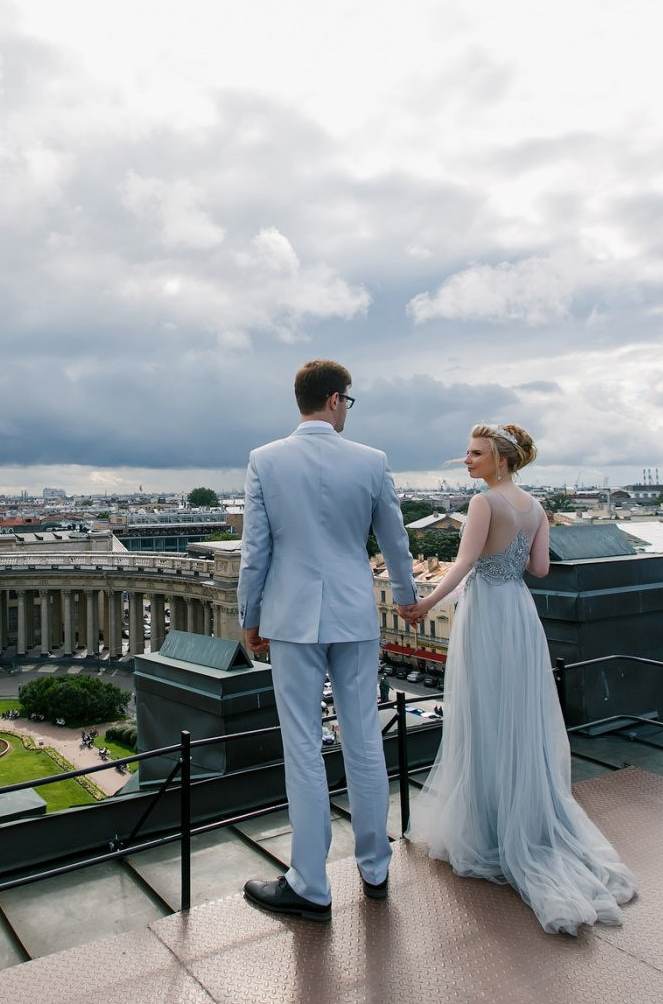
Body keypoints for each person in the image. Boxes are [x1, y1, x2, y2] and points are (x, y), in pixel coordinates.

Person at [399, 422, 637, 935]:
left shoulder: (483, 503)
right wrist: (509, 559)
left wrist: (424, 603)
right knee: (518, 715)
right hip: (520, 614)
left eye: (475, 453)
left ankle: (488, 826)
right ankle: (527, 820)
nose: (467, 460)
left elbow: (465, 563)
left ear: (501, 459)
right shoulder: (536, 507)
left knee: (484, 712)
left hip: (486, 611)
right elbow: (541, 569)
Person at [237, 359, 417, 923]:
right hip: (354, 614)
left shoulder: (265, 460)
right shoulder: (372, 461)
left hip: (291, 619)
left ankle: (310, 884)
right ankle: (375, 868)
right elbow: (395, 540)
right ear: (336, 399)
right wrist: (406, 597)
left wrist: (250, 615)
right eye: (349, 402)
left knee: (303, 747)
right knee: (364, 741)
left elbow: (255, 551)